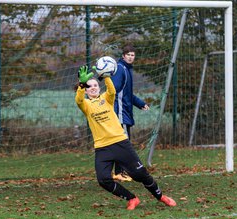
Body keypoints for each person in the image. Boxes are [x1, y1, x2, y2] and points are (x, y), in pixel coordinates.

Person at [75, 65, 176, 210]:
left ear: (99, 86)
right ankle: (132, 198)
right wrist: (81, 85)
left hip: (120, 143)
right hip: (102, 148)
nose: (93, 88)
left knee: (140, 174)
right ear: (86, 89)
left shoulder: (106, 98)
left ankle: (161, 196)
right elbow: (78, 100)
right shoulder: (86, 105)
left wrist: (107, 76)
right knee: (103, 180)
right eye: (89, 86)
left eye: (95, 85)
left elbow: (112, 90)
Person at [111, 44, 150, 182]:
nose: (130, 57)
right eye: (128, 55)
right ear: (123, 56)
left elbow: (127, 94)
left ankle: (119, 171)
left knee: (121, 143)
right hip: (120, 113)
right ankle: (121, 172)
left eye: (133, 55)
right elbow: (114, 91)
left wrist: (140, 103)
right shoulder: (120, 69)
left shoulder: (127, 70)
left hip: (125, 112)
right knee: (124, 143)